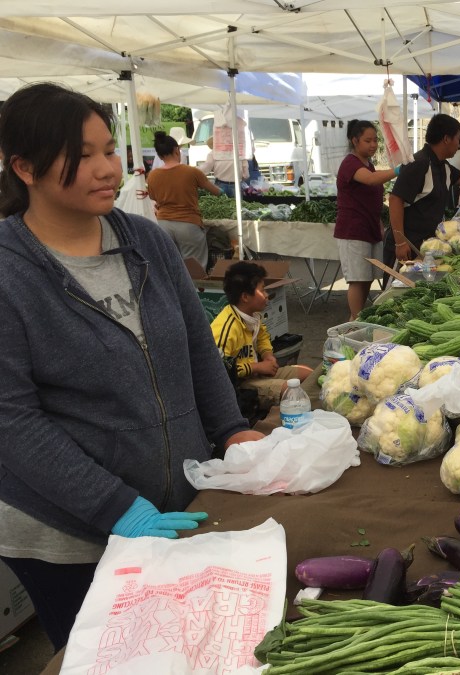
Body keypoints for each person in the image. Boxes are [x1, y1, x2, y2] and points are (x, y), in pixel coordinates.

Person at [0, 82, 262, 651]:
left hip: (173, 502)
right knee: (111, 655)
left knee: (187, 645)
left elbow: (196, 347)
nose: (106, 169)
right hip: (66, 532)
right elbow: (11, 421)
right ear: (24, 167)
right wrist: (114, 506)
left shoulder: (145, 239)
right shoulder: (9, 271)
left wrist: (231, 430)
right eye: (82, 155)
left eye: (109, 150)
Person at [385, 114, 460, 269]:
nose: (459, 144)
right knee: (399, 283)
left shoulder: (442, 165)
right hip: (406, 245)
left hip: (426, 244)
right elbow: (395, 199)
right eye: (458, 139)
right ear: (446, 139)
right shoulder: (419, 163)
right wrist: (400, 242)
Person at [210, 261, 310, 409]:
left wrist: (267, 354)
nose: (266, 295)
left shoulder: (253, 316)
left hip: (258, 373)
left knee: (307, 373)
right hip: (240, 386)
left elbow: (263, 337)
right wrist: (257, 367)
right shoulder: (227, 327)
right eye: (262, 290)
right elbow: (220, 371)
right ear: (245, 297)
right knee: (290, 391)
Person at [334, 119, 397, 319]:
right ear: (355, 141)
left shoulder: (368, 164)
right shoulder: (350, 163)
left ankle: (357, 318)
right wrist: (397, 170)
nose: (373, 145)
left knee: (367, 277)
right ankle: (355, 319)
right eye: (367, 141)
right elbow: (371, 180)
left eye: (375, 140)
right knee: (357, 279)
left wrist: (378, 222)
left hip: (369, 228)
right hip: (353, 230)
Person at [146, 131, 222, 269]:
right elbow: (216, 192)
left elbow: (153, 198)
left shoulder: (152, 175)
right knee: (195, 268)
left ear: (159, 155)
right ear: (177, 150)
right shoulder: (191, 172)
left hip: (163, 224)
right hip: (188, 224)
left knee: (171, 266)